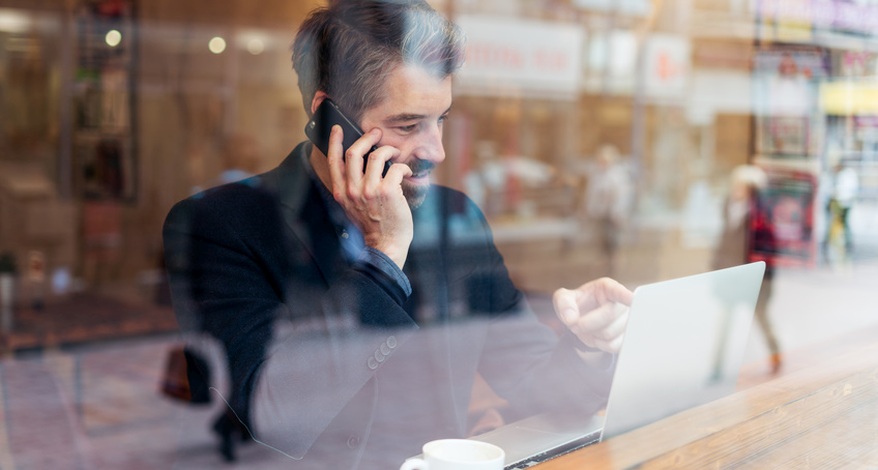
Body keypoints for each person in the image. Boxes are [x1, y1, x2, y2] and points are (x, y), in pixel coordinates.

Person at [163, 1, 632, 467]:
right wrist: (383, 259)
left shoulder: (456, 217)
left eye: (441, 119)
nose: (437, 151)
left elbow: (536, 383)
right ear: (330, 117)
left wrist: (590, 344)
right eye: (408, 125)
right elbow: (268, 415)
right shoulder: (221, 225)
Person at [711, 165, 781, 374]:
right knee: (724, 321)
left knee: (761, 318)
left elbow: (768, 249)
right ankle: (717, 366)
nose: (736, 189)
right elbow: (724, 241)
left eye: (741, 186)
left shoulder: (760, 217)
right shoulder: (729, 208)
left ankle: (776, 353)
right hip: (732, 275)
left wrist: (762, 277)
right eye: (736, 185)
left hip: (753, 278)